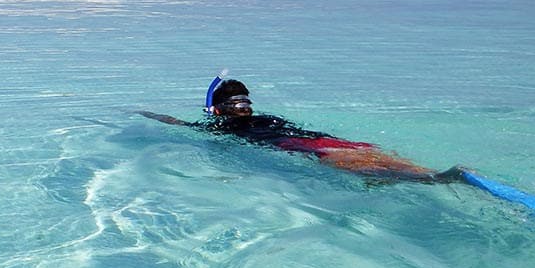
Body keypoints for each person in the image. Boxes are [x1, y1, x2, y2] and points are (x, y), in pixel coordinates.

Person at [138, 77, 466, 182]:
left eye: (245, 101)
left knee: (357, 154)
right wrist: (149, 114)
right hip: (298, 140)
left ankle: (427, 175)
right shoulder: (228, 126)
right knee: (348, 155)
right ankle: (429, 177)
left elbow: (185, 124)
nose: (244, 107)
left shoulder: (238, 123)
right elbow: (179, 124)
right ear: (222, 107)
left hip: (301, 140)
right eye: (237, 103)